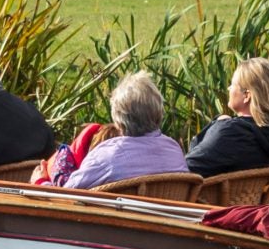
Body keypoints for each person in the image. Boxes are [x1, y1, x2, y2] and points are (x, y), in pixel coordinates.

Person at [46, 72, 185, 189]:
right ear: (159, 112)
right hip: (167, 220)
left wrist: (41, 182)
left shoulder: (105, 157)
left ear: (117, 120)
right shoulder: (174, 152)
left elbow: (66, 195)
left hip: (114, 221)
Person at [185, 57, 269, 178]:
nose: (229, 89)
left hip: (212, 197)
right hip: (252, 197)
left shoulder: (229, 133)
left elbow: (188, 167)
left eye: (233, 85)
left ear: (246, 95)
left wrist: (215, 125)